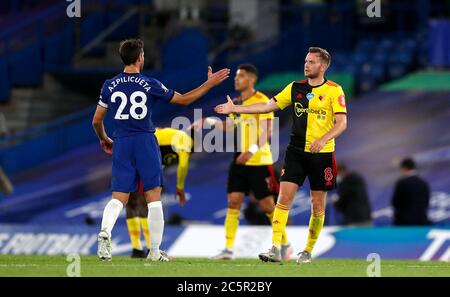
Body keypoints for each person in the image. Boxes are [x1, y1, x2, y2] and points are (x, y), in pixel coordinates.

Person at [92, 38, 229, 261]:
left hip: (122, 141)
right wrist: (210, 84)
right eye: (143, 55)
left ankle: (104, 232)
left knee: (119, 197)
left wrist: (104, 139)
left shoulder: (109, 85)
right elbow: (184, 100)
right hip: (145, 140)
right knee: (153, 196)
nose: (144, 58)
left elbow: (97, 120)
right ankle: (154, 251)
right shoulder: (149, 83)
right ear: (139, 58)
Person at [215, 47, 347, 264]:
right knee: (284, 199)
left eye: (312, 62)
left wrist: (323, 139)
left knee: (317, 205)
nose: (306, 65)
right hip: (295, 152)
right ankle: (276, 248)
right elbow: (267, 106)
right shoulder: (295, 88)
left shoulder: (335, 90)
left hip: (322, 154)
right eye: (306, 61)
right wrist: (236, 108)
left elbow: (342, 123)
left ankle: (307, 251)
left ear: (323, 66)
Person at [195, 64, 292, 260]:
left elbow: (268, 130)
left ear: (251, 79)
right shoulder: (236, 102)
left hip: (259, 160)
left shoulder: (262, 101)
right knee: (233, 201)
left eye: (240, 76)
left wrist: (252, 150)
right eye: (236, 76)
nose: (236, 79)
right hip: (240, 159)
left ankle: (285, 244)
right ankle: (228, 250)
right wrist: (209, 122)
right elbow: (230, 127)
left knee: (267, 206)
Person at [126, 127, 194, 258]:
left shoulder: (169, 138)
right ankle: (150, 249)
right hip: (141, 152)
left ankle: (137, 248)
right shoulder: (186, 141)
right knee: (144, 202)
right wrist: (180, 187)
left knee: (132, 201)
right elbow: (183, 165)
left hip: (132, 150)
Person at [392, 157, 431, 226]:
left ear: (404, 168)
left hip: (404, 223)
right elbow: (427, 201)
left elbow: (395, 202)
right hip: (421, 221)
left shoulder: (402, 183)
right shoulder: (423, 182)